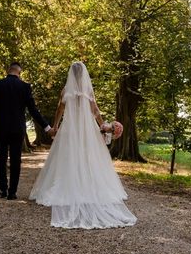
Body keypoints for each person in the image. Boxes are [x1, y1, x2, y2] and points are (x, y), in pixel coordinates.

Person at [30, 61, 137, 229]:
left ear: (71, 74)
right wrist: (103, 125)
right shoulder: (87, 90)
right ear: (84, 74)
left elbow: (60, 110)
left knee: (67, 157)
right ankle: (89, 187)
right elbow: (95, 111)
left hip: (70, 129)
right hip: (87, 131)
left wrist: (56, 126)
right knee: (89, 157)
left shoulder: (66, 91)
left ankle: (68, 186)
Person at [0, 62, 53, 200]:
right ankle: (12, 192)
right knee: (16, 159)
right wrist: (47, 127)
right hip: (17, 129)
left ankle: (3, 189)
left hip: (0, 128)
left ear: (8, 71)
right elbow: (33, 110)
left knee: (1, 159)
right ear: (19, 72)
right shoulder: (24, 87)